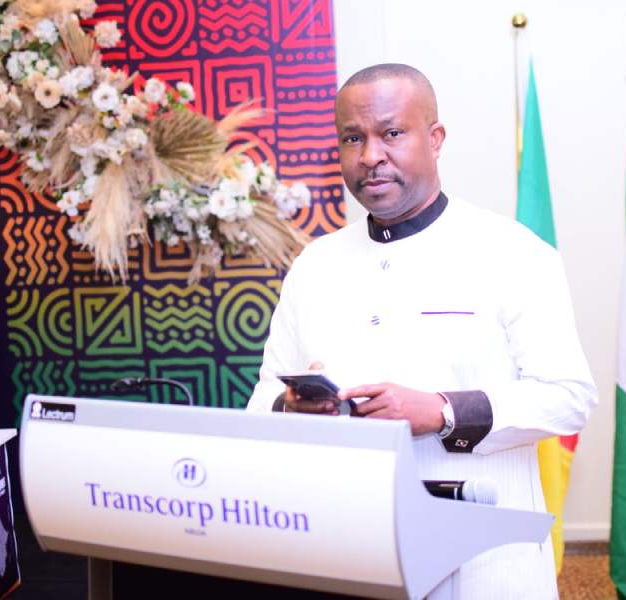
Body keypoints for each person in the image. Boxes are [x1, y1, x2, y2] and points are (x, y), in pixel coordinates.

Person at [246, 63, 597, 598]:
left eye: (391, 133)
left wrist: (440, 411)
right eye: (352, 138)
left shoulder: (514, 253)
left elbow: (569, 398)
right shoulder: (314, 265)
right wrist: (295, 406)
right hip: (354, 548)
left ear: (435, 140)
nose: (369, 156)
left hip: (486, 558)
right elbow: (263, 400)